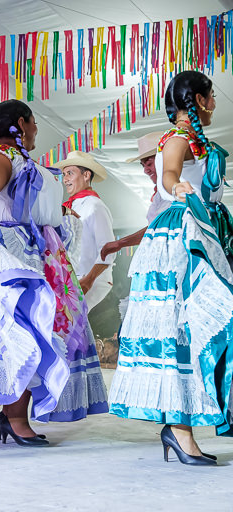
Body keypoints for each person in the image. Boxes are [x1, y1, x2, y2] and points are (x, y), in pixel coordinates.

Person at [0, 100, 108, 445]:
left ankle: (12, 413)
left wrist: (63, 219)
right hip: (16, 255)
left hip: (38, 253)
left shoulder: (24, 161)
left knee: (36, 330)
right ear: (21, 124)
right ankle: (16, 417)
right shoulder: (1, 157)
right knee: (26, 331)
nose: (37, 130)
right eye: (34, 124)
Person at [108, 71, 233, 466]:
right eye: (210, 97)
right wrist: (179, 188)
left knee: (200, 328)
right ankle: (179, 430)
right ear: (197, 99)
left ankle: (183, 427)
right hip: (182, 235)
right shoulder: (177, 139)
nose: (214, 104)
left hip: (205, 232)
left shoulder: (200, 142)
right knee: (185, 328)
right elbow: (170, 176)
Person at [54, 151, 115, 312]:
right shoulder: (70, 206)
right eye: (64, 174)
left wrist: (89, 280)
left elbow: (108, 249)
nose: (65, 179)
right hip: (72, 278)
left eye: (70, 173)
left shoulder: (95, 205)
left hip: (90, 279)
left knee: (68, 322)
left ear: (86, 175)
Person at [100, 131, 170, 259]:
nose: (145, 170)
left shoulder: (176, 190)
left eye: (149, 164)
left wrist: (120, 243)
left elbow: (158, 227)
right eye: (143, 165)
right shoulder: (161, 192)